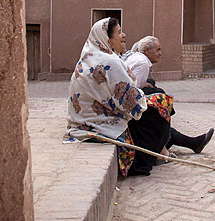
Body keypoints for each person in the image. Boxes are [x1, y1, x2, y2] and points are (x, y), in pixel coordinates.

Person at [64, 18, 174, 177]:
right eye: (119, 32)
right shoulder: (109, 61)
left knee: (153, 97)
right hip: (100, 122)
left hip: (83, 120)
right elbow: (132, 105)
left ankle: (165, 148)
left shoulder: (88, 56)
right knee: (161, 103)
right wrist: (147, 98)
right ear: (107, 38)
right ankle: (142, 160)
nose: (124, 35)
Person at [124, 36, 214, 156]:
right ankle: (191, 144)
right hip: (129, 112)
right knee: (159, 111)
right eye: (158, 50)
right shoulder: (143, 63)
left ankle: (194, 143)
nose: (160, 54)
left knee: (156, 95)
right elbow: (134, 89)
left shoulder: (137, 58)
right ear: (146, 50)